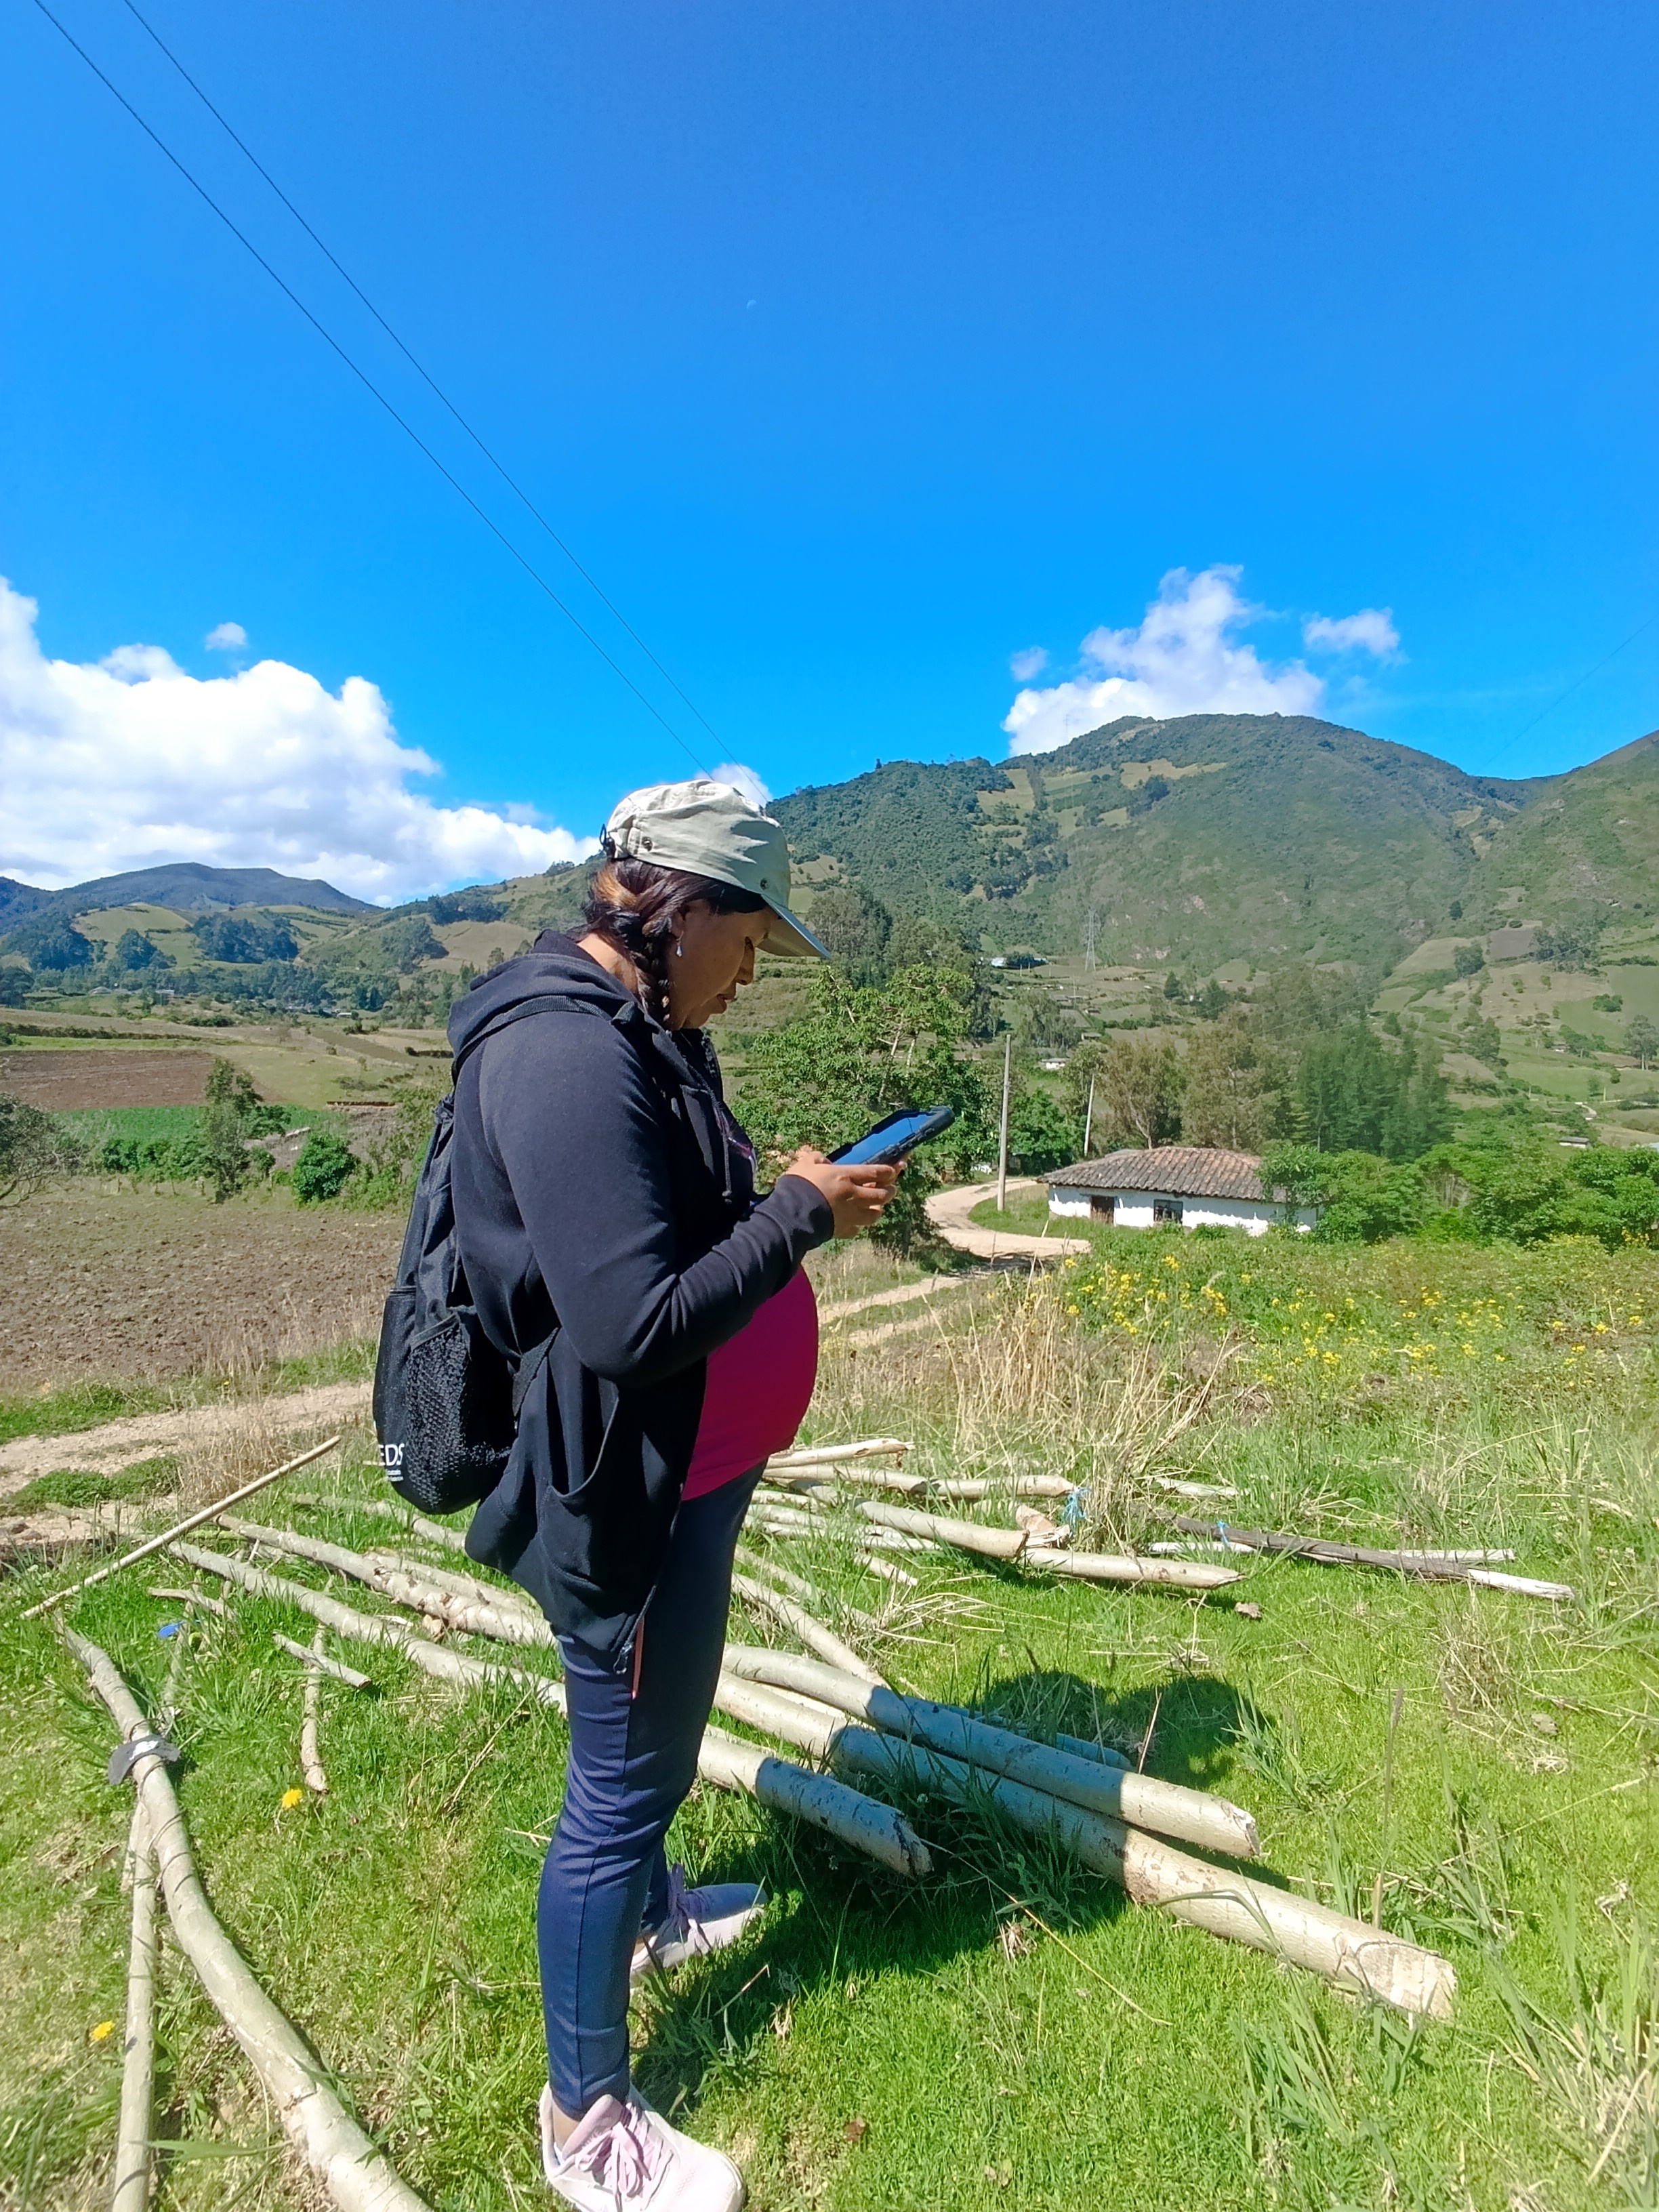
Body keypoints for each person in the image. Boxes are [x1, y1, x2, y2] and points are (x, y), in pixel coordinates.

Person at [447, 777, 899, 2211]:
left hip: (688, 1469)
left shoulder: (648, 1029)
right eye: (749, 941)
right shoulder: (566, 1055)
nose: (752, 974)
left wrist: (793, 1195)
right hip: (628, 1494)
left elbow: (675, 1233)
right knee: (623, 1782)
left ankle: (654, 1913)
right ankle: (586, 2120)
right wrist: (802, 1215)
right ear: (679, 908)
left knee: (646, 1750)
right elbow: (632, 1325)